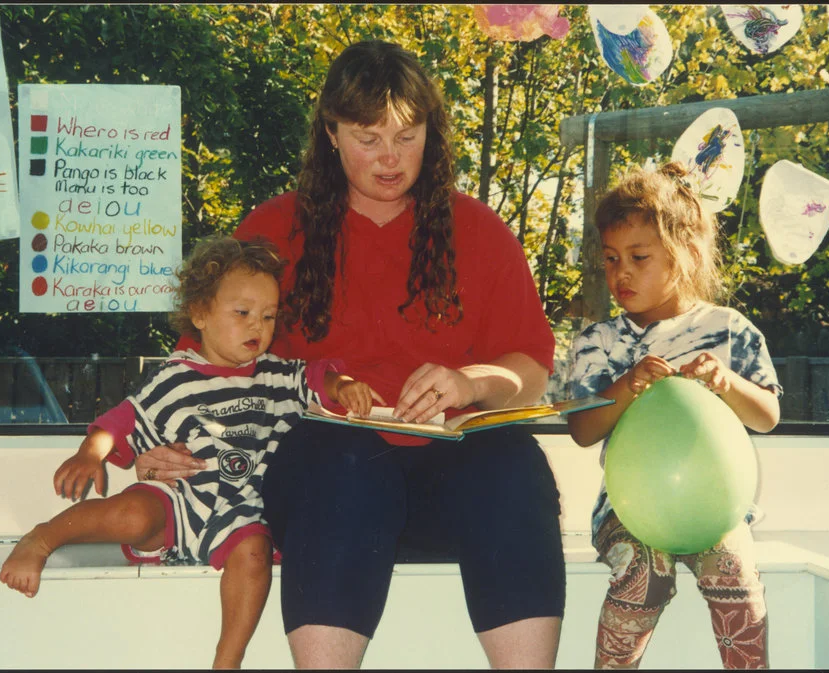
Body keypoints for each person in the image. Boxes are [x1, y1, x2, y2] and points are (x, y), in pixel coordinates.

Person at [133, 40, 564, 668]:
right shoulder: (275, 229)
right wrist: (164, 447)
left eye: (407, 135)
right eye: (368, 137)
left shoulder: (478, 231)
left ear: (430, 133)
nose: (390, 158)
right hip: (325, 496)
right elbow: (203, 363)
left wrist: (471, 381)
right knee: (340, 452)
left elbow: (530, 370)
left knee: (512, 463)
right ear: (331, 133)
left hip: (452, 486)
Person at [0, 236, 382, 669]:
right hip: (178, 499)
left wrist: (343, 387)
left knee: (254, 555)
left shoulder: (277, 375)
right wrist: (91, 453)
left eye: (268, 316)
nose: (257, 326)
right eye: (242, 313)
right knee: (130, 514)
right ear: (200, 313)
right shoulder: (173, 377)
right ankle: (43, 537)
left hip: (243, 512)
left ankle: (227, 660)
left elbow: (316, 379)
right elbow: (123, 420)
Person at [566, 162, 782, 669]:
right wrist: (626, 387)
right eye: (611, 258)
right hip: (628, 509)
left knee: (735, 575)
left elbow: (768, 415)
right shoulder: (599, 340)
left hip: (716, 507)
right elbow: (581, 429)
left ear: (684, 255)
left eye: (639, 257)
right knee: (644, 573)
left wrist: (727, 383)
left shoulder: (729, 330)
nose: (621, 272)